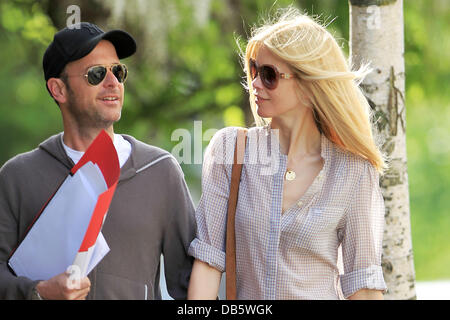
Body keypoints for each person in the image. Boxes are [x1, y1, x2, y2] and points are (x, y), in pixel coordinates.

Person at [187, 7, 388, 300]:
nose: (254, 83)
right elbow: (207, 263)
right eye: (255, 69)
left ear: (309, 87)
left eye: (269, 75)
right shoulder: (230, 150)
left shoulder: (354, 171)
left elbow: (364, 288)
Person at [0, 22, 196, 300]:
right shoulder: (18, 176)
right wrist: (38, 292)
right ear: (58, 90)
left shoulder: (160, 171)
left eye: (118, 71)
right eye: (96, 74)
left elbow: (191, 286)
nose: (113, 82)